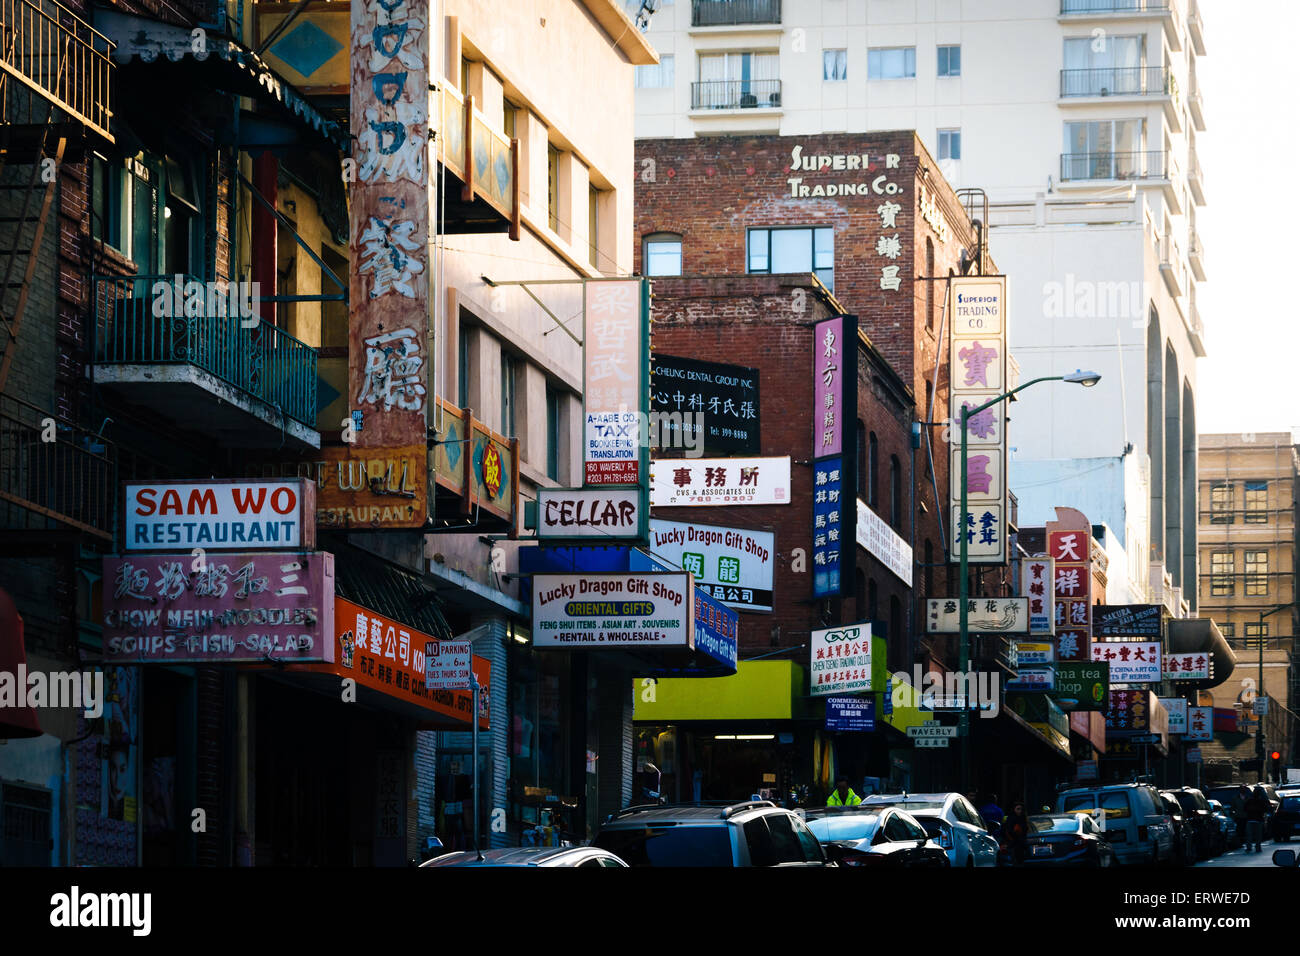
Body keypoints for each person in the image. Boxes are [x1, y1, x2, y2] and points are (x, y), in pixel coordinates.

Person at [1002, 800, 1031, 865]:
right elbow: (1008, 832)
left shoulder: (1023, 819)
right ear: (1014, 809)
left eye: (1021, 809)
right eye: (1018, 809)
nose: (1020, 811)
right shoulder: (1011, 819)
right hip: (1013, 845)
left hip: (1022, 845)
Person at [1243, 785, 1269, 853]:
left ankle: (1249, 847)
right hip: (1258, 819)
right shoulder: (1261, 801)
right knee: (1258, 835)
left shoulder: (1249, 800)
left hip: (1250, 819)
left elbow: (1245, 808)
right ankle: (1257, 847)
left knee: (1249, 835)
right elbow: (1265, 809)